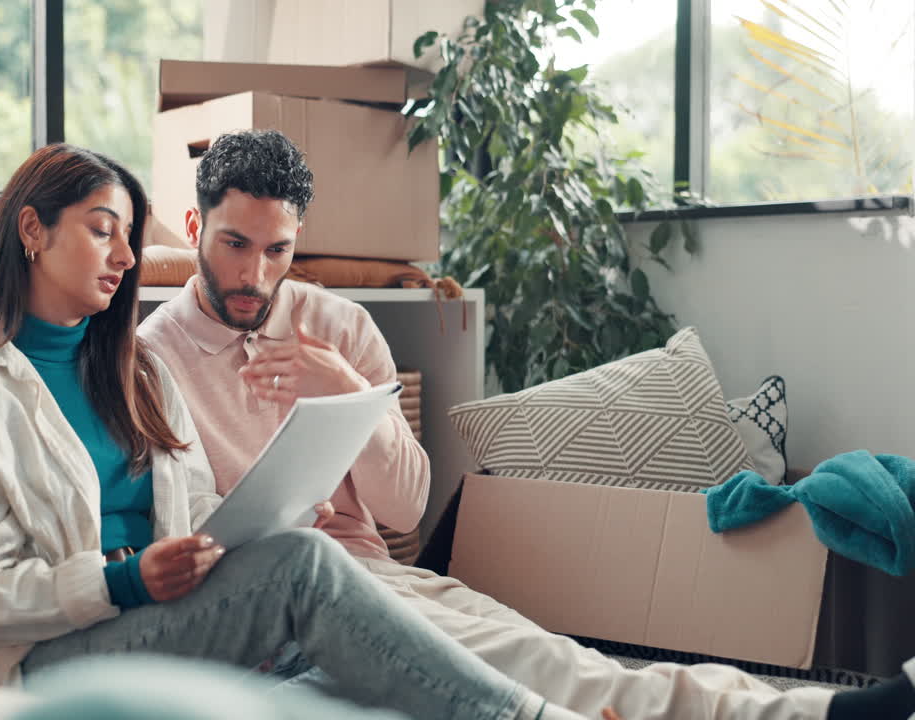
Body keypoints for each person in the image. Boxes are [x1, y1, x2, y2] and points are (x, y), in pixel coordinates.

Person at [136, 129, 915, 720]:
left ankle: (803, 708)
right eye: (234, 244)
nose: (254, 275)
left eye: (278, 250)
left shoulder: (337, 327)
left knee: (549, 652)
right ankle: (818, 713)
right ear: (192, 226)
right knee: (533, 668)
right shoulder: (148, 359)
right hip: (273, 597)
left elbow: (406, 510)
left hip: (375, 574)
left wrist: (343, 391)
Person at [0, 143, 594, 720]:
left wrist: (274, 516)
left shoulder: (136, 372)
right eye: (102, 230)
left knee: (346, 647)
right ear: (32, 230)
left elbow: (199, 508)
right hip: (54, 654)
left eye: (128, 235)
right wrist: (121, 582)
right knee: (310, 575)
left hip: (162, 619)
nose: (126, 255)